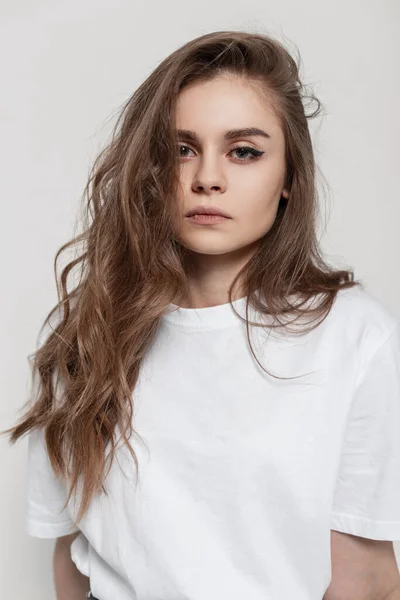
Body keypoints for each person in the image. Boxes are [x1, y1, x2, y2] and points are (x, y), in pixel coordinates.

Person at [2, 29, 400, 600]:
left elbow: (367, 580)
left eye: (244, 151)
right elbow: (71, 562)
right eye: (181, 149)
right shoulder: (86, 332)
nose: (206, 178)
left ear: (289, 177)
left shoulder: (355, 337)